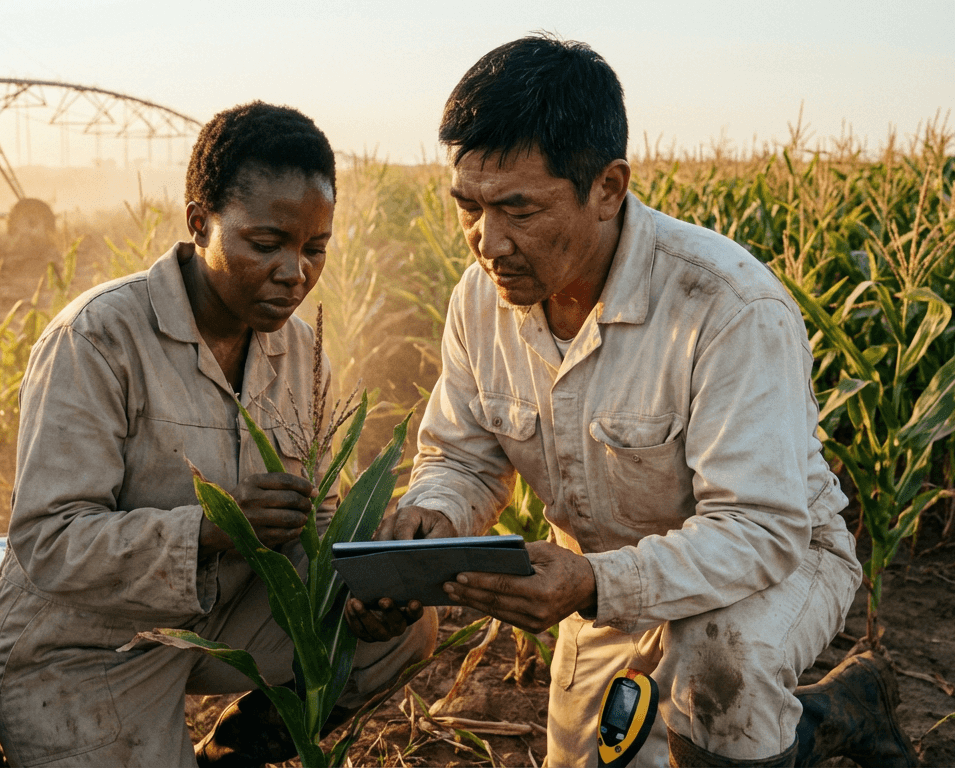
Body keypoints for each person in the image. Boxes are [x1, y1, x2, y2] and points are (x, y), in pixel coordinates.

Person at [354, 35, 919, 768]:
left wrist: (595, 581)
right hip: (599, 577)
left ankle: (816, 718)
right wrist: (435, 515)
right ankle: (828, 712)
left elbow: (758, 526)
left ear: (609, 188)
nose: (485, 242)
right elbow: (463, 455)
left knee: (724, 683)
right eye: (467, 207)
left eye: (518, 210)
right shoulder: (480, 301)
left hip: (774, 558)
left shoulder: (727, 305)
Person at [0, 101, 436, 768]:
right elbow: (49, 542)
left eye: (315, 249)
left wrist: (367, 593)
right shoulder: (100, 338)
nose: (295, 273)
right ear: (200, 222)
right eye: (266, 243)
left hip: (220, 615)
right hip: (85, 643)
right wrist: (211, 529)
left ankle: (237, 751)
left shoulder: (303, 354)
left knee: (404, 628)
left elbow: (323, 519)